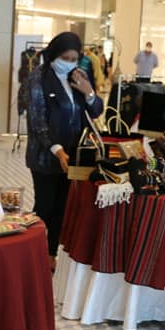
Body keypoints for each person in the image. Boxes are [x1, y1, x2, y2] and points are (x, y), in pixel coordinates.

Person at [25, 32, 104, 270]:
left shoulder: (79, 75)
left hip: (74, 155)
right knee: (45, 206)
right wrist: (57, 151)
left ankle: (50, 255)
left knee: (64, 207)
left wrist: (88, 91)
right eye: (65, 57)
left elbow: (96, 111)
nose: (69, 62)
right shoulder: (38, 78)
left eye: (74, 58)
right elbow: (38, 121)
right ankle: (32, 252)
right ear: (54, 54)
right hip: (46, 156)